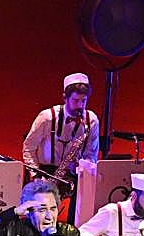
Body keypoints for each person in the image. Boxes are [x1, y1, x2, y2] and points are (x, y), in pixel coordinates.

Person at [22, 73, 100, 220]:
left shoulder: (92, 120)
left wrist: (82, 166)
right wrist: (36, 175)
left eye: (84, 101)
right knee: (39, 209)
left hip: (73, 172)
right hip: (45, 170)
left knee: (87, 191)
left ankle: (74, 229)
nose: (80, 106)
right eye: (76, 100)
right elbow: (28, 147)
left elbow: (92, 153)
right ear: (65, 97)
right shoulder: (47, 117)